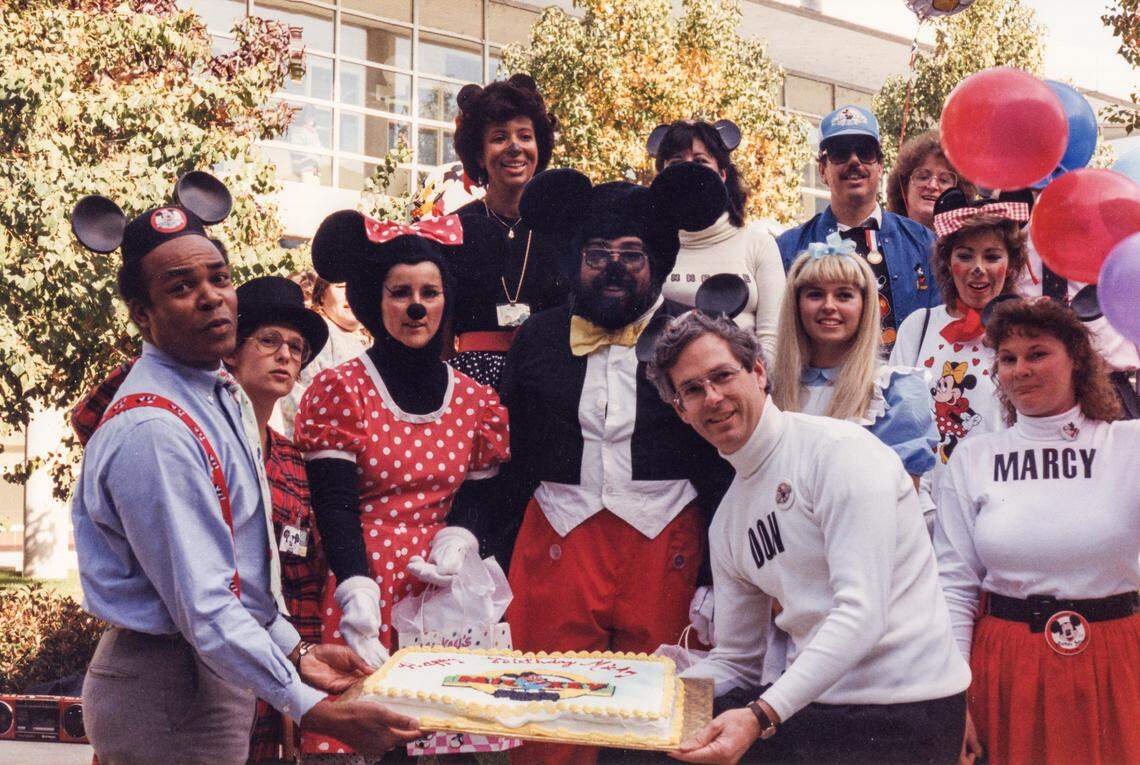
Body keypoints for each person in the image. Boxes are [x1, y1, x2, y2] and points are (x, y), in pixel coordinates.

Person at [68, 173, 420, 765]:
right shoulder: (154, 430)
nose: (211, 297)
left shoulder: (220, 394)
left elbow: (245, 572)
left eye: (219, 278)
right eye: (182, 287)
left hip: (217, 675)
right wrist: (314, 707)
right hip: (163, 688)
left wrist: (298, 648)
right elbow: (206, 607)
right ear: (143, 315)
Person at [645, 311, 970, 765]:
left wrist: (759, 714)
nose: (713, 398)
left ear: (759, 371)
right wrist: (636, 692)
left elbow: (861, 614)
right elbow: (737, 658)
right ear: (680, 410)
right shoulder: (728, 520)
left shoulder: (839, 452)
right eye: (692, 390)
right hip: (815, 707)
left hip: (908, 710)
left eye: (722, 376)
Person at [496, 162, 736, 765]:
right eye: (598, 251)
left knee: (666, 719)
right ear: (574, 259)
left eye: (632, 253)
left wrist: (715, 578)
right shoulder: (538, 339)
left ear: (656, 261)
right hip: (558, 541)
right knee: (547, 718)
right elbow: (514, 456)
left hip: (666, 544)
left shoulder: (697, 336)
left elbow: (723, 463)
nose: (613, 267)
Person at [294, 210, 510, 759]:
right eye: (400, 292)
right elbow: (334, 504)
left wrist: (458, 536)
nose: (417, 306)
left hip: (445, 590)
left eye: (429, 292)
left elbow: (480, 491)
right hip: (364, 583)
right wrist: (355, 586)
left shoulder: (474, 399)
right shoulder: (342, 389)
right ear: (375, 299)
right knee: (372, 739)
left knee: (445, 742)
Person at [933, 297, 1139, 765]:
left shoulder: (1128, 444)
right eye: (1008, 358)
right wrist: (953, 695)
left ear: (1077, 360)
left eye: (1037, 353)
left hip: (1116, 659)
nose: (1020, 369)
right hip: (1007, 666)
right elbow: (955, 585)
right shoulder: (975, 456)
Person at [224, 276, 331, 762]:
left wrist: (296, 676)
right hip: (206, 665)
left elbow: (301, 582)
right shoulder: (196, 438)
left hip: (275, 670)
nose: (286, 355)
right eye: (268, 340)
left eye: (296, 346)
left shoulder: (293, 461)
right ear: (230, 350)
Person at [890, 189, 1029, 517]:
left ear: (1009, 265)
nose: (978, 268)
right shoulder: (918, 327)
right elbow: (898, 427)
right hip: (926, 511)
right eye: (965, 255)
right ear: (947, 263)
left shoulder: (1027, 332)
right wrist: (921, 509)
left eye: (992, 256)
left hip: (1006, 508)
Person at [771, 236, 938, 481]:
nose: (829, 306)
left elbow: (902, 502)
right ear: (796, 305)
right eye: (815, 294)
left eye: (844, 295)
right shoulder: (769, 389)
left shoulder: (893, 393)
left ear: (865, 305)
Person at [776, 105, 939, 350]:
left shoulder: (924, 243)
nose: (854, 161)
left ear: (881, 166)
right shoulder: (789, 249)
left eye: (865, 152)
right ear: (822, 169)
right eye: (840, 153)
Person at [449, 74, 568, 388]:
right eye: (499, 137)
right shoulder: (453, 229)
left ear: (539, 146)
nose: (515, 147)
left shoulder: (565, 229)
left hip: (549, 380)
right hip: (470, 385)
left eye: (525, 136)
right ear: (479, 154)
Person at [648, 119, 786, 359]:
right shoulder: (647, 248)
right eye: (676, 162)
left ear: (722, 173)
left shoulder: (758, 244)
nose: (689, 170)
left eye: (701, 161)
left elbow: (772, 339)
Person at [275, 273, 370, 438]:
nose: (350, 294)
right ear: (321, 296)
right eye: (341, 287)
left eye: (358, 287)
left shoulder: (368, 338)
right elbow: (300, 403)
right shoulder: (319, 336)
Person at [885, 129, 976, 229]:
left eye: (944, 180)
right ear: (904, 186)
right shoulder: (884, 234)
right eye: (923, 177)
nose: (932, 186)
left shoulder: (969, 241)